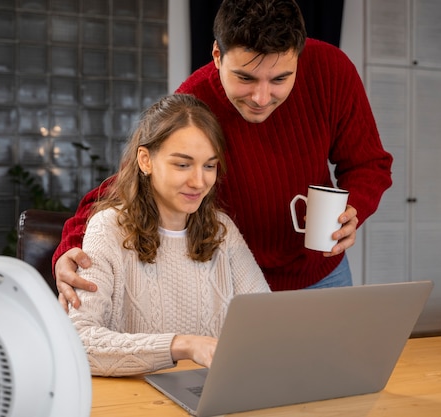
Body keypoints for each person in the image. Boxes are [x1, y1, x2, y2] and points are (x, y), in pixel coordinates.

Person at [55, 0, 393, 310]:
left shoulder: (332, 70)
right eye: (245, 77)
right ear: (217, 55)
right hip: (232, 277)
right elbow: (129, 183)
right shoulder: (194, 99)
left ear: (298, 58)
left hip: (322, 274)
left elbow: (369, 164)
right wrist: (68, 248)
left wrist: (354, 210)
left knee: (333, 374)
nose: (261, 97)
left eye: (280, 79)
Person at [68, 94, 270, 376]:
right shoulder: (108, 228)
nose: (199, 182)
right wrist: (181, 345)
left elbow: (267, 323)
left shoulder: (222, 231)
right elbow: (79, 342)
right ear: (145, 160)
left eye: (209, 166)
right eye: (182, 165)